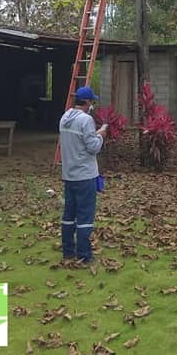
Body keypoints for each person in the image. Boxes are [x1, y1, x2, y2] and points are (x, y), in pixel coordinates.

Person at [59, 85, 107, 265]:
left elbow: (79, 140)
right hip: (85, 176)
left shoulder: (65, 118)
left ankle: (67, 251)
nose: (92, 105)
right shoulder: (86, 120)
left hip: (69, 175)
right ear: (87, 102)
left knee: (69, 216)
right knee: (85, 217)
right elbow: (93, 147)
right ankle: (84, 255)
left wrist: (94, 134)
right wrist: (101, 136)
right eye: (92, 101)